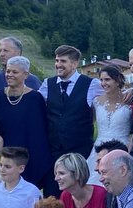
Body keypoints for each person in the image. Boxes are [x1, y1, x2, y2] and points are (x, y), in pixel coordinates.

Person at [40, 45, 101, 196]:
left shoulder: (91, 85)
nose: (58, 65)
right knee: (53, 198)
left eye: (63, 61)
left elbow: (109, 99)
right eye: (56, 60)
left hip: (81, 153)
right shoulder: (48, 84)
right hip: (54, 154)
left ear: (74, 64)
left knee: (80, 196)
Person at [0, 56, 52, 191]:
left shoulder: (35, 99)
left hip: (28, 157)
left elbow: (39, 133)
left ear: (25, 74)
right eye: (8, 71)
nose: (9, 75)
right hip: (4, 156)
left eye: (14, 72)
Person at [86, 64, 133, 186]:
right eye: (101, 80)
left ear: (117, 81)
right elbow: (89, 122)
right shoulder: (96, 101)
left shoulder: (129, 101)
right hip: (99, 147)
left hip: (121, 146)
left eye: (107, 79)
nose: (103, 83)